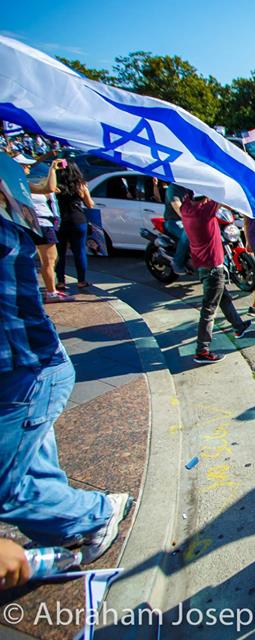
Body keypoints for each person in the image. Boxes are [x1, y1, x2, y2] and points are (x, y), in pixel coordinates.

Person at [0, 167, 131, 563]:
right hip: (25, 371)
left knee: (9, 484)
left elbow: (57, 195)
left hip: (29, 372)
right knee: (29, 473)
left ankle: (94, 514)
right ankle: (71, 526)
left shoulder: (8, 231)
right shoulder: (14, 222)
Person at [180, 193, 255, 364]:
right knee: (209, 310)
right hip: (214, 266)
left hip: (202, 265)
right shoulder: (204, 211)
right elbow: (222, 196)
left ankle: (239, 326)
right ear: (205, 199)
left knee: (224, 298)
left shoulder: (186, 208)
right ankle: (202, 351)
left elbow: (189, 197)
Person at [14, 154, 68, 303]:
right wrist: (52, 169)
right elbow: (48, 187)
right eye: (25, 165)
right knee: (49, 260)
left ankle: (49, 290)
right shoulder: (20, 183)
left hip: (34, 223)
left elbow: (45, 188)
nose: (28, 167)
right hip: (40, 224)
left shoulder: (18, 182)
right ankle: (51, 292)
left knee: (48, 260)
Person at [54, 161, 94, 291]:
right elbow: (90, 204)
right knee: (79, 251)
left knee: (60, 253)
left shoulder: (55, 186)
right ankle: (81, 280)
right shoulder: (80, 186)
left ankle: (60, 281)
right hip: (78, 220)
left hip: (60, 221)